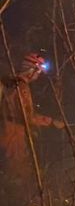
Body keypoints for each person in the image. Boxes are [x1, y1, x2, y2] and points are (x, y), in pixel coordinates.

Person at [0, 53, 64, 190]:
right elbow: (26, 116)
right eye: (38, 71)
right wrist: (51, 122)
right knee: (19, 172)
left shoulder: (9, 83)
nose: (38, 76)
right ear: (31, 70)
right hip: (14, 136)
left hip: (5, 131)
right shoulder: (21, 87)